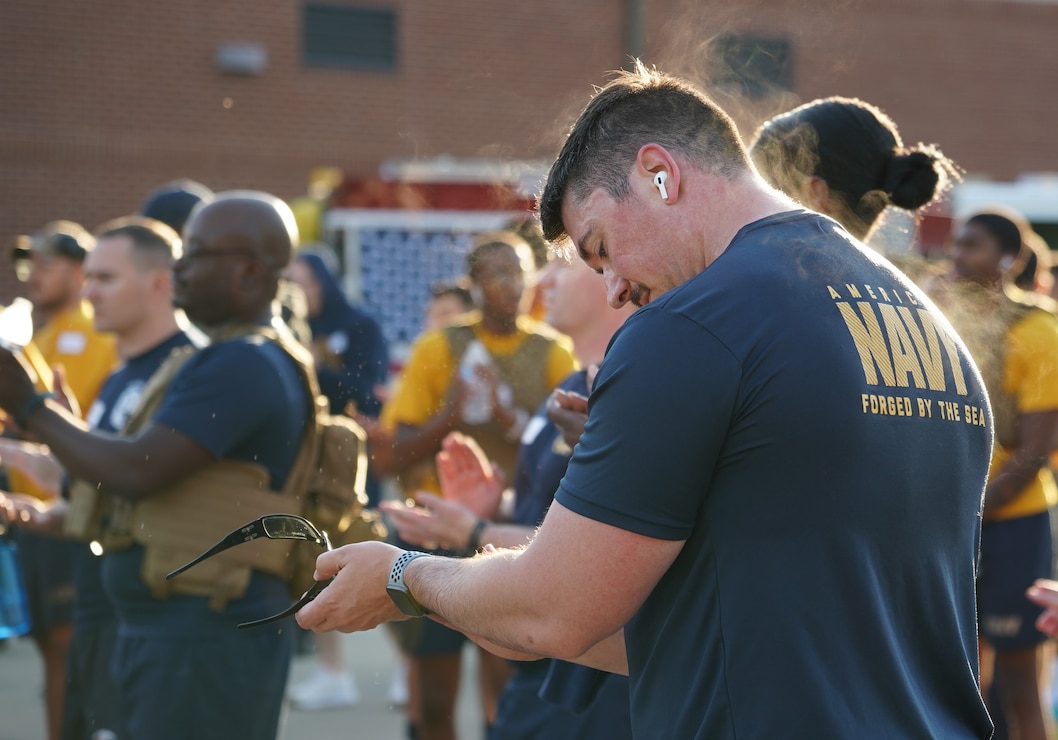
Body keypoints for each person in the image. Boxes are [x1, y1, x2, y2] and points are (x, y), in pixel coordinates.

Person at [295, 63, 994, 739]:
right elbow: (674, 629)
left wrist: (400, 575)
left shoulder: (694, 324)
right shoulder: (927, 326)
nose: (614, 292)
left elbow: (555, 613)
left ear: (660, 175)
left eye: (601, 249)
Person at [0, 192, 313, 740]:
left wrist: (29, 404)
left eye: (195, 254)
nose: (180, 269)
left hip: (204, 634)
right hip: (183, 630)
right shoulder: (233, 355)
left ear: (248, 271)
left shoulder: (242, 361)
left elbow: (138, 469)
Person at [383, 252, 635, 740]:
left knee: (496, 698)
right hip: (511, 597)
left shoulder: (624, 384)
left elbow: (609, 539)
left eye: (570, 260)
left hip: (584, 668)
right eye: (496, 273)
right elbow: (547, 507)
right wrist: (491, 506)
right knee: (436, 702)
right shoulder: (563, 380)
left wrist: (474, 531)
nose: (539, 280)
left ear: (617, 277)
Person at [2, 216, 195, 739]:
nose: (89, 291)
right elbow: (97, 481)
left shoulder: (189, 370)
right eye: (88, 277)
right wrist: (48, 507)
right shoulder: (121, 375)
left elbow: (136, 476)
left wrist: (33, 408)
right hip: (103, 598)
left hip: (152, 618)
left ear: (161, 283)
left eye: (105, 278)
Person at [931, 210, 1058, 740]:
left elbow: (1032, 456)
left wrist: (967, 515)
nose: (957, 255)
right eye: (956, 244)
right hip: (957, 523)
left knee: (1018, 688)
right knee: (961, 685)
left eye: (973, 245)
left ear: (1007, 259)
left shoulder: (1038, 329)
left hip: (1011, 527)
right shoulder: (943, 321)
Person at [7, 221, 118, 740]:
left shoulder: (91, 331)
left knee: (70, 641)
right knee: (51, 643)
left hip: (73, 505)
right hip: (38, 510)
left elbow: (83, 423)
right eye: (30, 264)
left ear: (80, 271)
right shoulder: (42, 332)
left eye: (48, 263)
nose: (34, 275)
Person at [282, 248, 389, 711]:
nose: (298, 291)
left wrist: (314, 365)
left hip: (354, 464)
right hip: (306, 465)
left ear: (324, 282)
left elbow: (370, 394)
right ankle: (332, 671)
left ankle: (406, 671)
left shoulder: (360, 325)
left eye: (305, 281)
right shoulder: (285, 329)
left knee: (378, 556)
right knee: (320, 565)